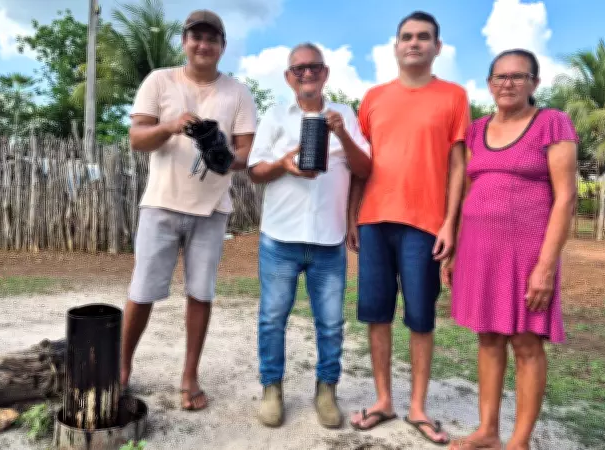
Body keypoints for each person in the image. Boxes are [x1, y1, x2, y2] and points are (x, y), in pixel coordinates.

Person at [442, 49, 579, 450]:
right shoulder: (476, 130)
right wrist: (455, 251)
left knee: (526, 342)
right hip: (479, 251)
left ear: (535, 83)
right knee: (487, 338)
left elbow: (566, 198)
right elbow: (468, 191)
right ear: (489, 84)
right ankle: (487, 431)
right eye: (500, 77)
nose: (508, 83)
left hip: (526, 254)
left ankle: (519, 442)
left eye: (518, 76)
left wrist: (546, 267)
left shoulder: (552, 123)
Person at [122, 9, 258, 412]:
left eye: (212, 39)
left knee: (201, 293)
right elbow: (137, 139)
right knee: (142, 291)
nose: (204, 45)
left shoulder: (238, 92)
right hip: (161, 204)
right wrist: (170, 126)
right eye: (196, 37)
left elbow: (246, 153)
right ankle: (122, 367)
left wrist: (224, 158)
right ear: (184, 42)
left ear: (223, 46)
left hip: (212, 210)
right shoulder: (159, 80)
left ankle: (189, 376)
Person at [346, 11, 469, 445]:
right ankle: (383, 400)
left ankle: (418, 406)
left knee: (420, 317)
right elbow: (360, 164)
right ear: (395, 46)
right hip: (374, 220)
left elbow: (458, 165)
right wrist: (352, 215)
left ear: (437, 47)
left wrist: (450, 223)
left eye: (423, 37)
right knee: (376, 314)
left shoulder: (453, 96)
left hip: (425, 224)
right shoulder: (373, 98)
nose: (413, 43)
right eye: (406, 37)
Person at [247, 43, 372, 429]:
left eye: (314, 67)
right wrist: (283, 165)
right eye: (298, 68)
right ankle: (272, 389)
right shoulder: (274, 115)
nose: (307, 74)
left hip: (328, 239)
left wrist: (342, 135)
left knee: (331, 323)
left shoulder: (344, 115)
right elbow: (254, 171)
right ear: (288, 77)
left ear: (325, 73)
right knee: (272, 318)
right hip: (279, 238)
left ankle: (326, 390)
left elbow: (365, 168)